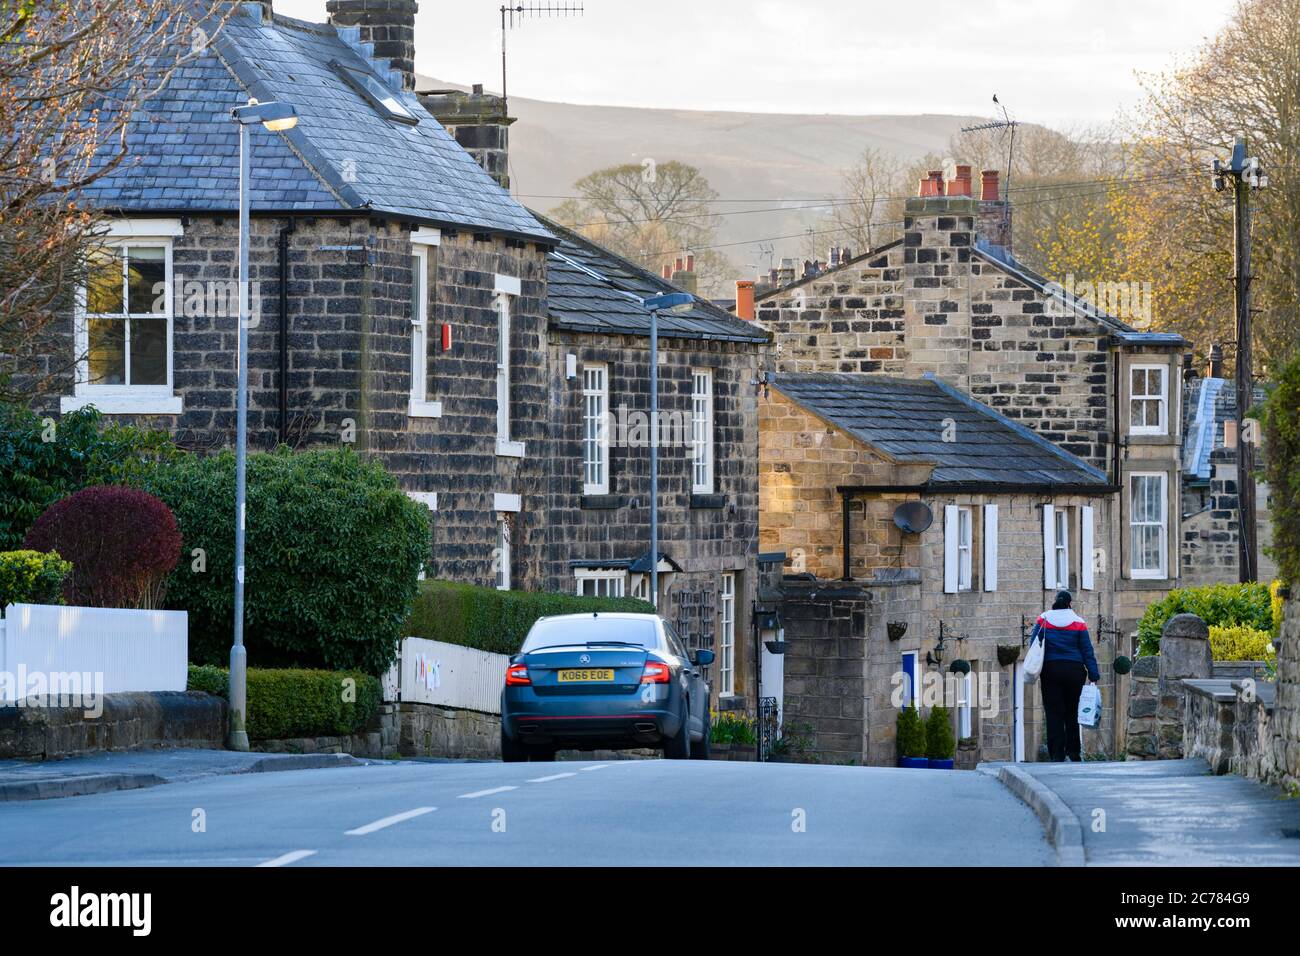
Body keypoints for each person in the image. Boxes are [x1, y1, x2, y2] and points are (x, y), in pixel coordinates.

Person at [1030, 590, 1100, 762]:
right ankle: (1074, 752)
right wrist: (1093, 674)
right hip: (1074, 671)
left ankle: (1056, 753)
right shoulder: (1078, 622)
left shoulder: (1044, 619)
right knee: (1072, 712)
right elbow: (1087, 650)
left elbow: (1034, 644)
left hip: (1051, 669)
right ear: (1070, 604)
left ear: (1055, 602)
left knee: (1053, 712)